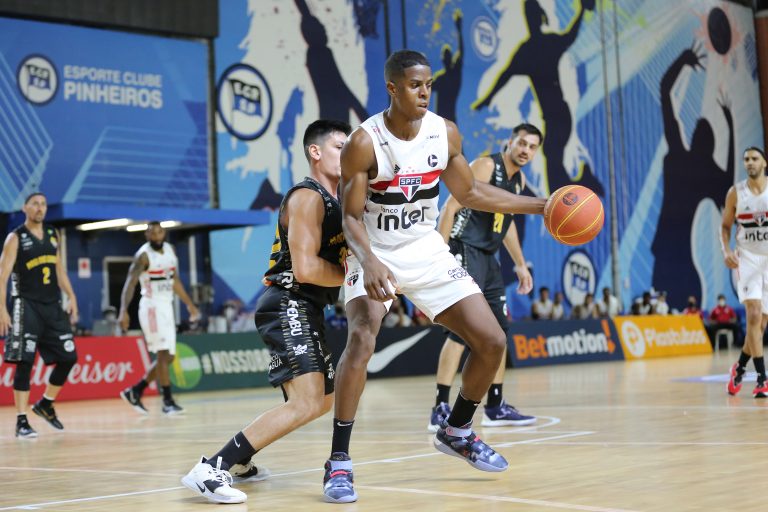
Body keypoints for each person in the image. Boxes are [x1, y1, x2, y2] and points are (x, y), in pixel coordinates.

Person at [322, 50, 546, 504]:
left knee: (492, 341)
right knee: (361, 339)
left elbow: (472, 192)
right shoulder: (364, 142)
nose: (424, 93)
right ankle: (338, 460)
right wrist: (370, 261)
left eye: (428, 85)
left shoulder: (444, 133)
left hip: (425, 249)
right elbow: (350, 217)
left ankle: (457, 429)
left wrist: (542, 205)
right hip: (375, 250)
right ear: (392, 88)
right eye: (414, 85)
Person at [181, 119, 351, 504]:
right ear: (315, 151)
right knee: (307, 401)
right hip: (289, 301)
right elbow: (305, 269)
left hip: (307, 306)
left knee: (322, 400)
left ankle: (242, 458)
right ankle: (212, 468)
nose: (347, 154)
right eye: (339, 147)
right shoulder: (308, 197)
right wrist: (356, 274)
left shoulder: (337, 202)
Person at [426, 123, 542, 433]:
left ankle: (495, 406)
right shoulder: (487, 166)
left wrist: (520, 264)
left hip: (489, 258)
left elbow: (507, 223)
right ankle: (440, 407)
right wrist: (439, 254)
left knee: (498, 332)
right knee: (462, 334)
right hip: (464, 248)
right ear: (510, 141)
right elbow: (450, 206)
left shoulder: (519, 181)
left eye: (532, 147)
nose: (525, 150)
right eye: (522, 143)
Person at [0, 192, 78, 438]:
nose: (40, 208)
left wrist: (72, 296)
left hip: (52, 306)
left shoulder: (53, 234)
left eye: (43, 204)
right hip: (26, 305)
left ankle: (45, 403)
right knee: (25, 362)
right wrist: (2, 309)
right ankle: (21, 421)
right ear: (25, 208)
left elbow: (59, 269)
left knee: (69, 357)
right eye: (35, 204)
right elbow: (2, 276)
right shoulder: (15, 237)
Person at [118, 222, 200, 415]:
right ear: (146, 235)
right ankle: (167, 401)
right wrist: (123, 310)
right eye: (152, 233)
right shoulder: (143, 256)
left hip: (167, 306)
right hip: (151, 307)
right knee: (163, 353)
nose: (156, 236)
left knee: (169, 357)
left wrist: (189, 304)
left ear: (164, 233)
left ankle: (136, 391)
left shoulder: (170, 250)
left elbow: (174, 280)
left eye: (159, 232)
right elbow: (130, 283)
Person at [722, 146, 768, 398]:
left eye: (754, 158)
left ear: (764, 163)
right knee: (753, 314)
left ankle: (739, 368)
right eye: (746, 159)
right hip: (747, 258)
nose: (749, 162)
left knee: (760, 326)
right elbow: (725, 226)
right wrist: (726, 251)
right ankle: (762, 378)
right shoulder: (735, 193)